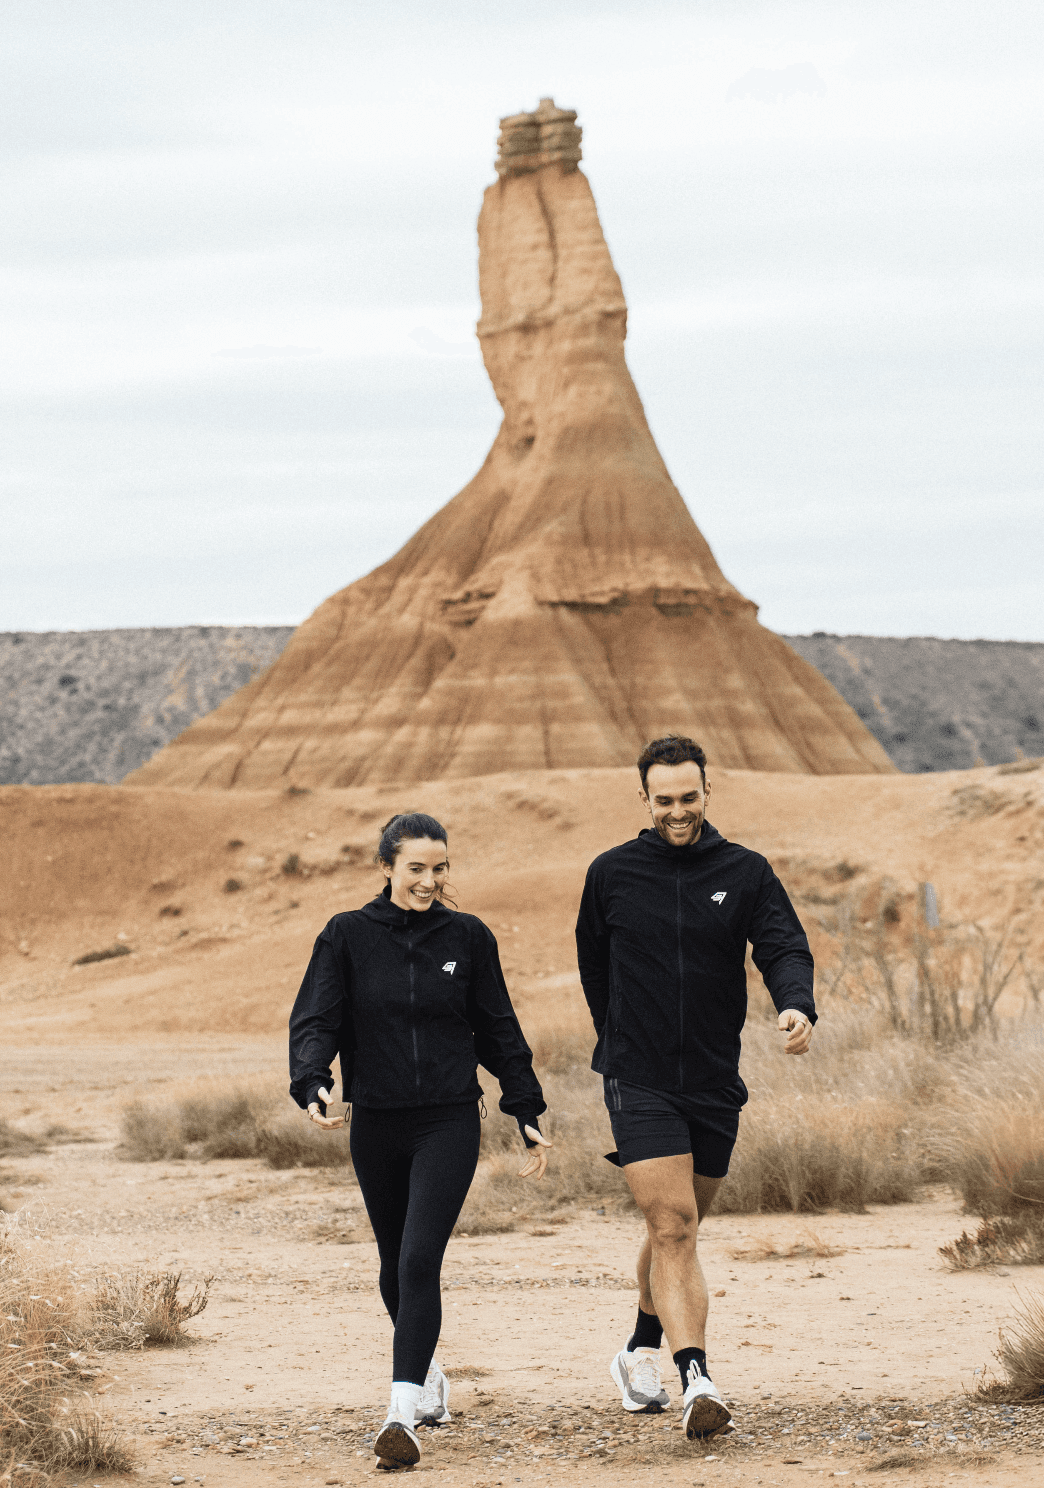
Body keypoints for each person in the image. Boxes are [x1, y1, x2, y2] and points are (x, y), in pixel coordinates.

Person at [289, 812, 552, 1471]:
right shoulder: (347, 936)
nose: (429, 881)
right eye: (416, 869)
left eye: (440, 869)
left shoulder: (468, 937)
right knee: (391, 1262)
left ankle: (400, 1414)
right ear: (386, 868)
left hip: (447, 1118)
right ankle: (427, 1374)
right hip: (376, 1120)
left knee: (417, 1260)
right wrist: (312, 1079)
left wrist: (525, 1107)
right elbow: (318, 1017)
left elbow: (499, 1030)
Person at [574, 736, 815, 1441]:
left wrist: (794, 1001)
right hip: (639, 1076)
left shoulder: (745, 872)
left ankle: (634, 1350)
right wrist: (621, 1040)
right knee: (671, 1224)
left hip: (713, 1078)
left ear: (707, 792)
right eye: (664, 800)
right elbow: (595, 967)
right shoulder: (611, 873)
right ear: (643, 798)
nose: (677, 812)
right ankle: (697, 1380)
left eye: (689, 798)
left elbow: (781, 944)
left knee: (681, 1222)